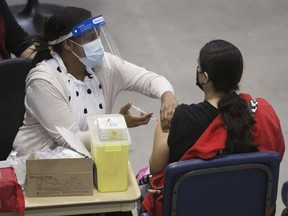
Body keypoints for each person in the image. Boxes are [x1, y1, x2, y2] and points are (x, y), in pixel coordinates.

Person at [141, 39, 285, 216]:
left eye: (198, 68)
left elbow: (156, 166)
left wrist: (163, 128)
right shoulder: (262, 113)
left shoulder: (183, 118)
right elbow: (275, 155)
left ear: (205, 77)